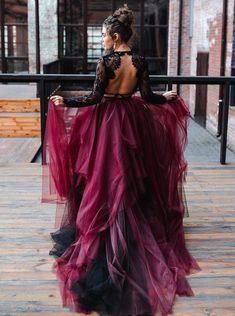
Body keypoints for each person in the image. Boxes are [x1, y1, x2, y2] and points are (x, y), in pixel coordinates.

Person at [42, 4, 200, 316]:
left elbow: (94, 99)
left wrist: (65, 101)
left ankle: (108, 229)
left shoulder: (106, 62)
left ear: (115, 37)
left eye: (103, 36)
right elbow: (149, 96)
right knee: (127, 176)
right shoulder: (139, 61)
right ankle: (128, 223)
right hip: (131, 120)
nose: (101, 40)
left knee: (103, 176)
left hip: (107, 124)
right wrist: (165, 97)